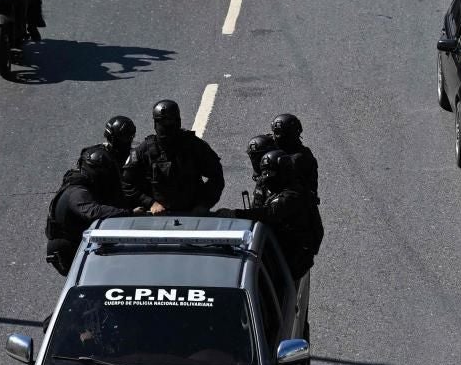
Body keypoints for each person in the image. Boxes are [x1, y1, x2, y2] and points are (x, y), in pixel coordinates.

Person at [227, 150, 323, 281]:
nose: (266, 177)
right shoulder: (275, 189)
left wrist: (234, 214)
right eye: (265, 173)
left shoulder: (293, 194)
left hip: (293, 256)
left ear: (283, 171)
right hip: (279, 246)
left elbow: (271, 213)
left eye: (270, 173)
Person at [122, 99, 225, 213]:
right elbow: (127, 183)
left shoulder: (194, 146)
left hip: (192, 212)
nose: (167, 127)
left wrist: (203, 204)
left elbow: (216, 176)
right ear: (156, 124)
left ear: (178, 122)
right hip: (158, 214)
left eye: (170, 122)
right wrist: (150, 203)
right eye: (163, 123)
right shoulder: (145, 150)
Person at [45, 146, 136, 275]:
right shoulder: (77, 192)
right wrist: (128, 213)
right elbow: (93, 211)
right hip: (67, 248)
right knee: (84, 278)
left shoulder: (83, 183)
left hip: (78, 239)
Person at [267, 113, 318, 196]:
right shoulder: (271, 149)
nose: (275, 137)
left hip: (298, 201)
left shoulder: (300, 157)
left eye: (277, 133)